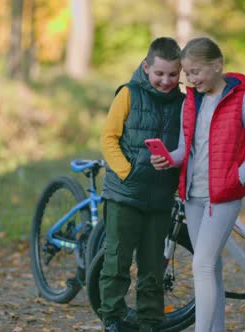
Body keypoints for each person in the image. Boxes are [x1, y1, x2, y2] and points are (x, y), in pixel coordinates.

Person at [151, 36, 245, 331]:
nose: (190, 79)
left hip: (224, 196)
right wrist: (169, 158)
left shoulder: (243, 100)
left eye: (196, 72)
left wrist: (239, 177)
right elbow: (184, 147)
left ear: (217, 65)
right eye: (187, 74)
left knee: (201, 264)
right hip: (193, 195)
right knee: (211, 267)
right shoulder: (191, 102)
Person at [99, 37, 185, 332]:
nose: (166, 81)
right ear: (146, 67)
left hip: (160, 199)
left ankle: (150, 322)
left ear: (181, 72)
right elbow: (108, 138)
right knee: (117, 261)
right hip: (125, 194)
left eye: (173, 75)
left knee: (152, 267)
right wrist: (127, 172)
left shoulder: (184, 103)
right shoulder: (128, 93)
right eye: (159, 73)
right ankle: (112, 317)